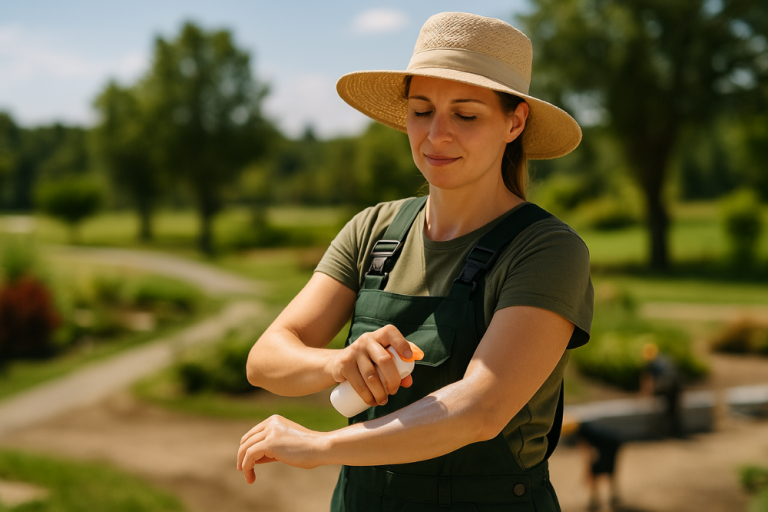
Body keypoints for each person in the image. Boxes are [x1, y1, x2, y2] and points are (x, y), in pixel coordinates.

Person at [237, 12, 594, 511]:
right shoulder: (373, 230)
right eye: (422, 111)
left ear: (514, 122)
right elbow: (265, 359)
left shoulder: (546, 250)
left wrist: (320, 447)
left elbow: (481, 408)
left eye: (466, 116)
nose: (436, 135)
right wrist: (337, 362)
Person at [640, 342, 684, 438]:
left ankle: (662, 430)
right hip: (676, 384)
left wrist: (648, 394)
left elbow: (648, 380)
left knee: (666, 408)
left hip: (666, 383)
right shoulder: (665, 358)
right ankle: (675, 430)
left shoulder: (652, 363)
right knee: (673, 408)